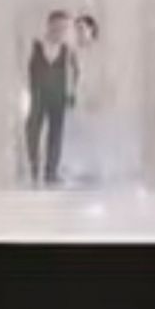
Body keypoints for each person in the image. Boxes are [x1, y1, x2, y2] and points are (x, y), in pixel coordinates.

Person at [25, 10, 75, 186]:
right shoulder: (35, 45)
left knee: (56, 134)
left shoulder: (67, 50)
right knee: (33, 130)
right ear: (49, 26)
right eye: (58, 27)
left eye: (64, 28)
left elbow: (72, 73)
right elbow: (26, 69)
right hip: (37, 95)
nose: (61, 31)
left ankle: (51, 172)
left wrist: (71, 94)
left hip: (58, 97)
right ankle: (33, 168)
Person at [60, 14, 107, 187]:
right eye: (76, 29)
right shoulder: (73, 52)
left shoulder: (98, 53)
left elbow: (103, 77)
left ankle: (94, 170)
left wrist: (99, 97)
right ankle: (74, 168)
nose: (78, 33)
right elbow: (73, 75)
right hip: (78, 97)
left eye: (81, 29)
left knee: (92, 133)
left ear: (91, 30)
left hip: (93, 99)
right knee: (75, 131)